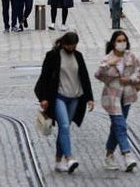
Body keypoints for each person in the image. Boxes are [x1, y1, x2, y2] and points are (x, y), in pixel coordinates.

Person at [34, 32, 95, 173]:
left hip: (75, 97)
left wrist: (89, 98)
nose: (72, 47)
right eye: (70, 45)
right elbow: (44, 77)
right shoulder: (53, 56)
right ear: (64, 43)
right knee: (65, 125)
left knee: (64, 128)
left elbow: (84, 77)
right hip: (59, 97)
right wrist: (43, 98)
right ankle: (69, 158)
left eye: (74, 45)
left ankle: (57, 160)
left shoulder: (78, 56)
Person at [94, 30, 140, 172]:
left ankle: (109, 155)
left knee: (116, 127)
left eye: (124, 40)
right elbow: (98, 75)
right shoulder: (108, 58)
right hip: (112, 97)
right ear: (113, 43)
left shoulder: (131, 57)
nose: (122, 43)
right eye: (119, 41)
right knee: (120, 125)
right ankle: (127, 154)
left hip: (127, 96)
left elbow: (139, 74)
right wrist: (109, 64)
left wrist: (129, 79)